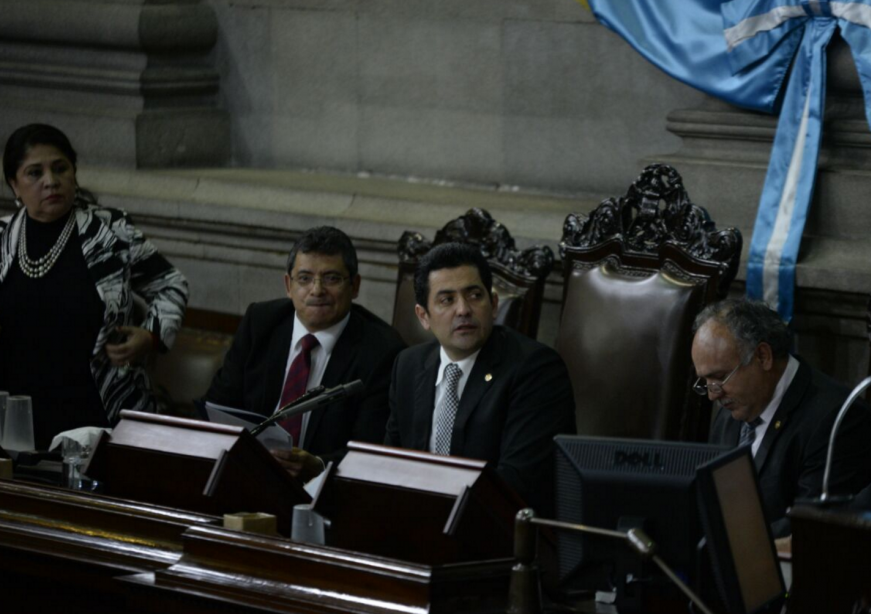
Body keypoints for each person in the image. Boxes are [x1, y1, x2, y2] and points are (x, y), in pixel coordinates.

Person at [0, 123, 189, 449]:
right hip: (16, 414)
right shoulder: (2, 238)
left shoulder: (112, 230)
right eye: (34, 173)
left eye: (60, 168)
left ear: (74, 173)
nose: (51, 181)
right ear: (14, 186)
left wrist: (151, 335)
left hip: (98, 408)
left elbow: (170, 284)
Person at [385, 242, 576, 517]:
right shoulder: (408, 366)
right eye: (447, 300)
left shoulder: (536, 369)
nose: (463, 309)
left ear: (494, 303)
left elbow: (517, 483)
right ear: (424, 316)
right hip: (416, 521)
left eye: (474, 295)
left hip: (495, 530)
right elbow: (390, 462)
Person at [205, 226, 406, 480]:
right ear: (288, 285)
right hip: (245, 473)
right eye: (305, 278)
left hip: (323, 492)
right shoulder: (260, 323)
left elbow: (372, 451)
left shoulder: (382, 351)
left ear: (355, 286)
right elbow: (218, 405)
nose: (317, 290)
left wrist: (320, 465)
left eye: (332, 278)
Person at [692, 298, 871, 537]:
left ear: (763, 356)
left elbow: (814, 528)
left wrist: (728, 545)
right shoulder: (731, 412)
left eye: (720, 377)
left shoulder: (841, 422)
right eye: (706, 383)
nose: (713, 395)